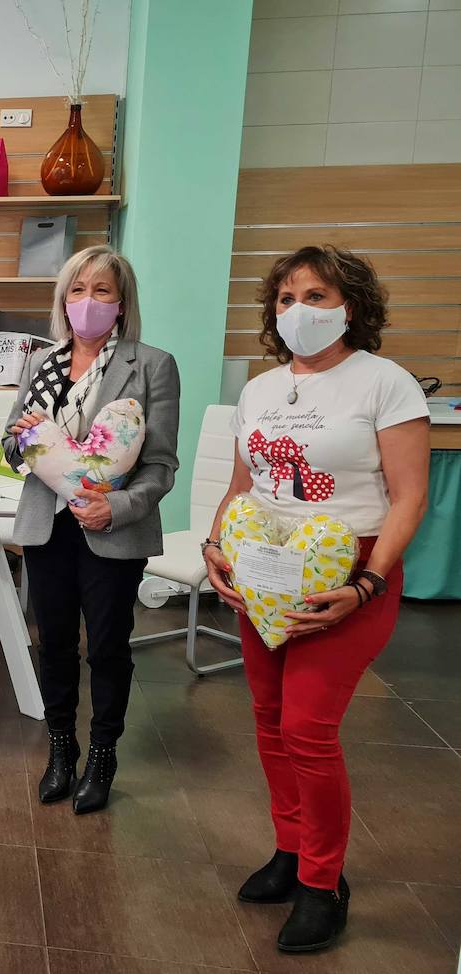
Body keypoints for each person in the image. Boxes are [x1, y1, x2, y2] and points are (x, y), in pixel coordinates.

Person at [203, 246, 429, 953]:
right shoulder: (262, 391)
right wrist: (215, 548)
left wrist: (367, 583)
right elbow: (245, 484)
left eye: (318, 295)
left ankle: (323, 883)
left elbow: (409, 495)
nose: (298, 309)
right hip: (263, 568)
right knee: (269, 718)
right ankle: (292, 849)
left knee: (307, 727)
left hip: (347, 572)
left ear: (351, 306)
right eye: (286, 297)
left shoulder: (384, 384)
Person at [0, 245, 180, 815]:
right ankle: (61, 749)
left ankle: (102, 754)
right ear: (63, 300)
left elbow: (161, 464)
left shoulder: (152, 364)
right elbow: (9, 448)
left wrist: (118, 507)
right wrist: (29, 438)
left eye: (102, 291)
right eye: (77, 290)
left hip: (111, 530)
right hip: (47, 525)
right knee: (52, 643)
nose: (88, 302)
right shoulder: (41, 362)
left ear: (122, 303)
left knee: (106, 646)